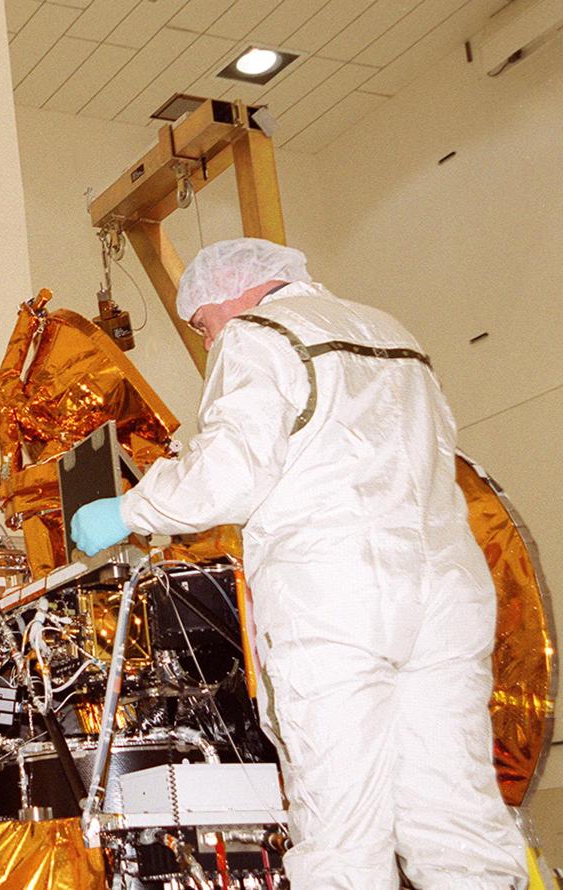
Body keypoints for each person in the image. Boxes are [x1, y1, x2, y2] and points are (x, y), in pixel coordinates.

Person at [71, 238, 525, 889]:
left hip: (337, 598)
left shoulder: (258, 334)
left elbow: (229, 473)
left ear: (228, 295)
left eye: (201, 325)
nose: (207, 343)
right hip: (448, 597)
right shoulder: (390, 331)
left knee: (342, 831)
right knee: (457, 818)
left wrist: (130, 510)